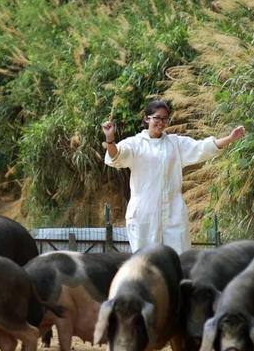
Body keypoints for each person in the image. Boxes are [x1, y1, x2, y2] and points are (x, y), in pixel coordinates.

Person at [102, 99, 245, 254]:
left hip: (174, 213)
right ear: (147, 118)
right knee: (147, 261)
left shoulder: (175, 143)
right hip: (144, 215)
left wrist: (230, 139)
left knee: (179, 259)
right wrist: (110, 139)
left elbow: (201, 147)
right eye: (157, 118)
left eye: (165, 119)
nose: (161, 122)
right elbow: (117, 156)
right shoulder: (135, 144)